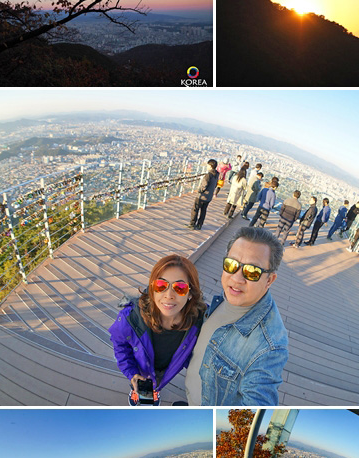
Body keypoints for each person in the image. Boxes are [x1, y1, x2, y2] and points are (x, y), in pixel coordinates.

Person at [185, 226, 289, 405]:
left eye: (252, 272)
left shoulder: (268, 346)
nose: (237, 278)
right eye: (231, 265)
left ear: (269, 280)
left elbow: (257, 404)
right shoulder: (232, 295)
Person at [109, 254, 205, 405]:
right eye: (161, 285)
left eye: (179, 288)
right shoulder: (131, 319)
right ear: (152, 288)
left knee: (157, 383)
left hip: (168, 370)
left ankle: (155, 390)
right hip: (140, 368)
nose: (168, 295)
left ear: (190, 293)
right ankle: (142, 392)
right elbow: (120, 347)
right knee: (142, 384)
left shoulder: (198, 325)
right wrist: (132, 374)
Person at [187, 159, 219, 230]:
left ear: (210, 166)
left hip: (202, 196)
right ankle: (199, 225)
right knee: (203, 211)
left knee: (195, 209)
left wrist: (200, 191)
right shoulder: (217, 174)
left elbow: (204, 185)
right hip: (209, 196)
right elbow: (216, 185)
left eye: (208, 165)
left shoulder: (208, 175)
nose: (207, 166)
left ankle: (192, 224)